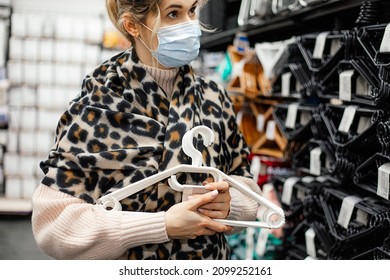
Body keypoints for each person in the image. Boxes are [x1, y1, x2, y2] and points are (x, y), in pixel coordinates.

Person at [32, 0, 261, 260]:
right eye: (173, 14)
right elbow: (53, 226)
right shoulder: (97, 107)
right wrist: (161, 226)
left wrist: (230, 204)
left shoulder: (213, 98)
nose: (190, 25)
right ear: (133, 26)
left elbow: (247, 187)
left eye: (193, 11)